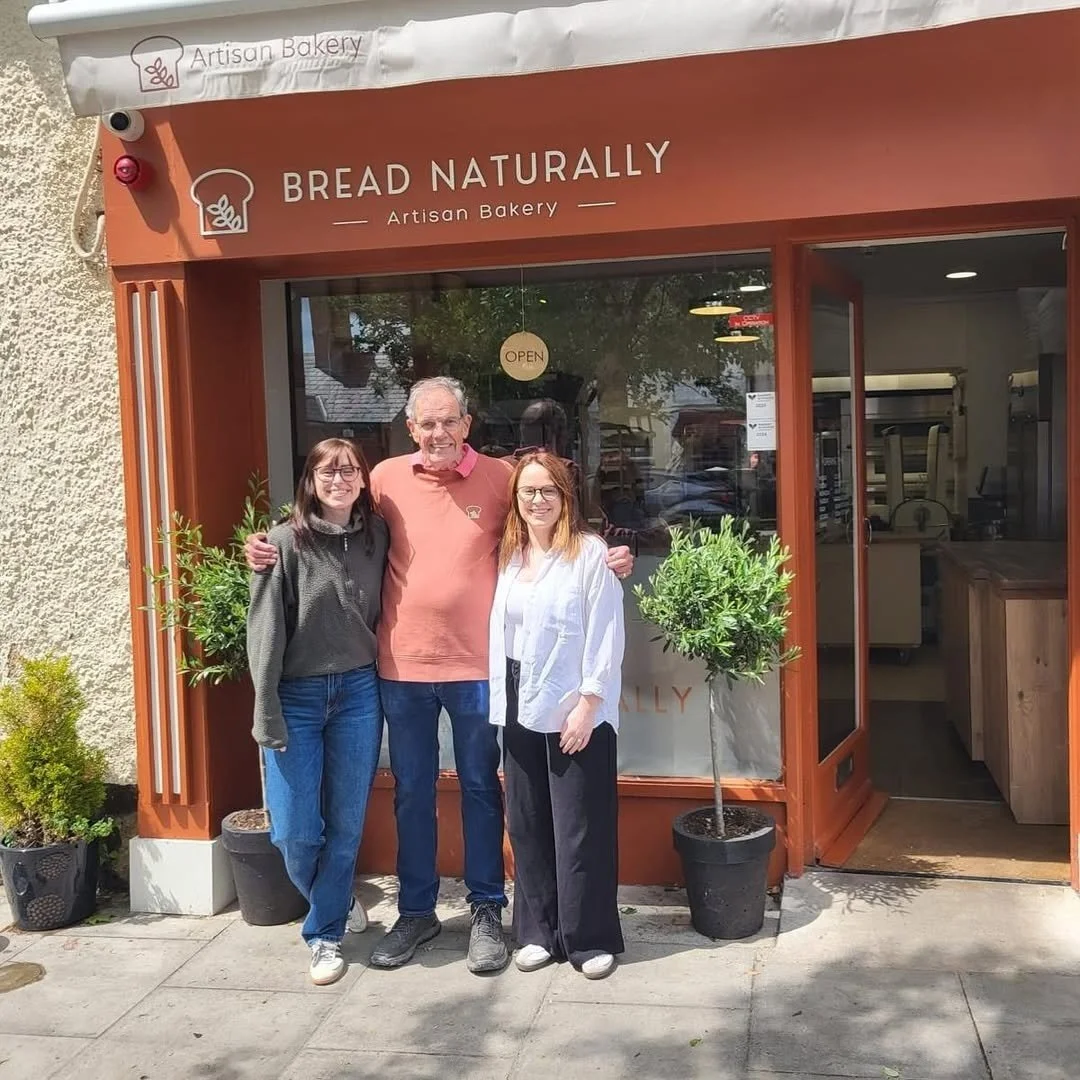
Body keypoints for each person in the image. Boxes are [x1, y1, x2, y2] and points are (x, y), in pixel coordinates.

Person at [245, 376, 634, 975]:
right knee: (411, 793)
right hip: (400, 667)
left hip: (479, 668)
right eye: (426, 423)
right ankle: (418, 911)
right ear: (410, 429)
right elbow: (330, 518)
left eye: (449, 421)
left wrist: (605, 552)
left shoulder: (502, 478)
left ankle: (485, 909)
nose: (438, 434)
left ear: (467, 424)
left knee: (482, 788)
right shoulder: (386, 479)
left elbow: (549, 514)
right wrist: (268, 546)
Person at [246, 438, 389, 986]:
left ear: (362, 480)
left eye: (349, 470)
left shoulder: (378, 535)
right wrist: (266, 710)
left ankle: (325, 933)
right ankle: (335, 897)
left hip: (358, 692)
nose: (339, 479)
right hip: (297, 699)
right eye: (327, 472)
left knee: (346, 824)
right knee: (295, 832)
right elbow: (263, 635)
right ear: (309, 480)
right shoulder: (281, 544)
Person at [489, 451, 626, 979]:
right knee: (526, 822)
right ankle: (537, 932)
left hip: (574, 698)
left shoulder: (589, 554)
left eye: (548, 490)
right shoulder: (510, 555)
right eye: (528, 492)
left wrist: (590, 704)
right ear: (516, 501)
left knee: (580, 824)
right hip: (519, 694)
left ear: (566, 496)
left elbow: (607, 633)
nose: (538, 500)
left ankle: (588, 939)